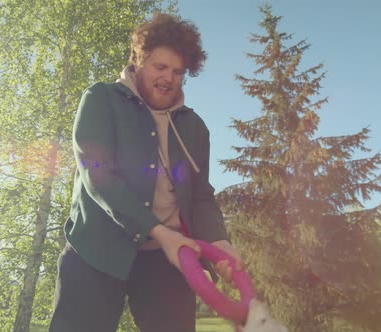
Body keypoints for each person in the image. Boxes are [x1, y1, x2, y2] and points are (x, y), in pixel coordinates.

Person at [49, 13, 244, 332]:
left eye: (178, 71)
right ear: (138, 60)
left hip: (166, 260)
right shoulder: (101, 99)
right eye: (160, 67)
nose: (169, 78)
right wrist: (159, 231)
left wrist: (218, 240)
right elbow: (97, 175)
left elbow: (200, 196)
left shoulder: (194, 127)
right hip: (97, 251)